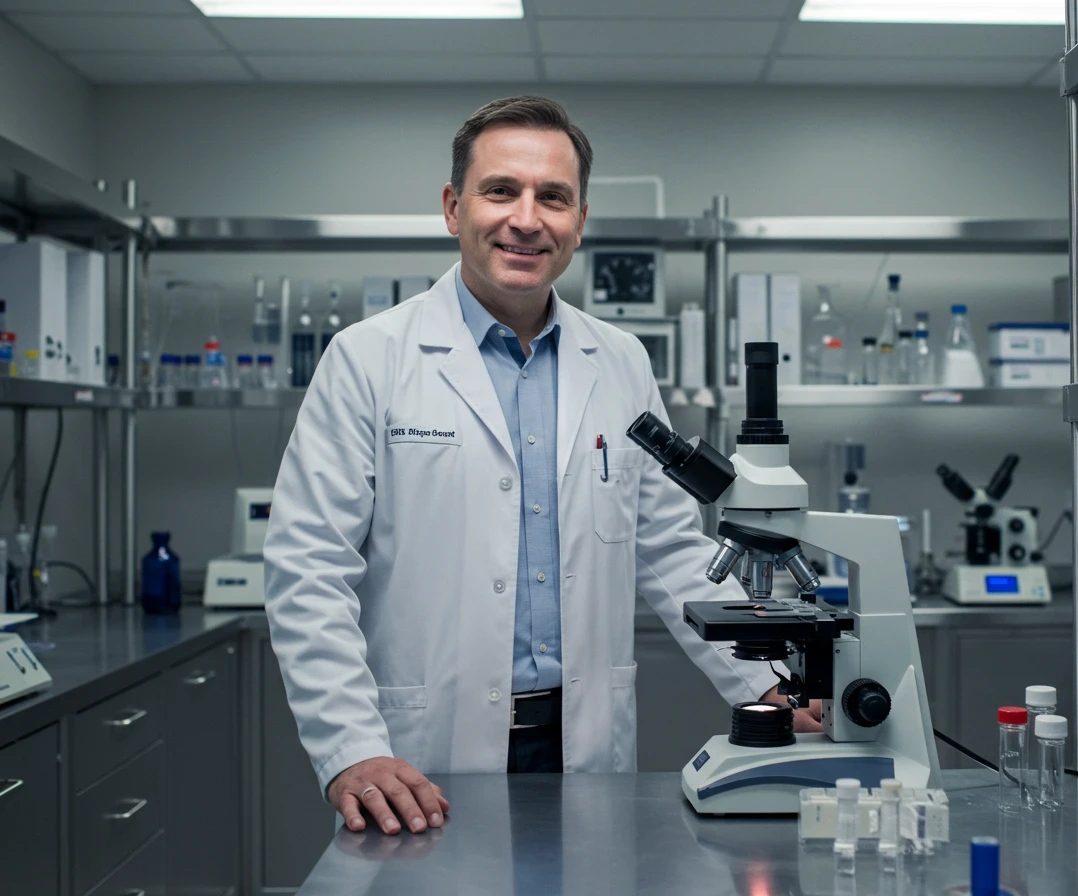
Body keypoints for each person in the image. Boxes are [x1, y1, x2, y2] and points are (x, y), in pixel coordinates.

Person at [263, 95, 818, 838]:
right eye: (501, 191)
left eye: (553, 197)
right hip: (421, 754)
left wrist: (771, 683)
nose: (527, 219)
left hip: (580, 740)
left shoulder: (619, 360)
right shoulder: (369, 358)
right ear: (454, 208)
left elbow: (672, 550)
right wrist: (350, 749)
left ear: (579, 221)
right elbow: (308, 568)